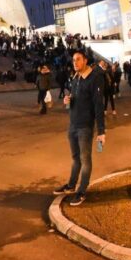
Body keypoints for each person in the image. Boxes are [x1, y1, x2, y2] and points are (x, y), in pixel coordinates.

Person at [53, 50, 106, 206]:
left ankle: (82, 191)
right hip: (73, 125)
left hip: (85, 127)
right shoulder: (75, 78)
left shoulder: (94, 78)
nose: (75, 63)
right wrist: (67, 101)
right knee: (76, 158)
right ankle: (71, 185)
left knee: (85, 160)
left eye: (78, 60)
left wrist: (101, 131)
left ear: (85, 60)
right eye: (73, 60)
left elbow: (98, 106)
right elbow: (74, 102)